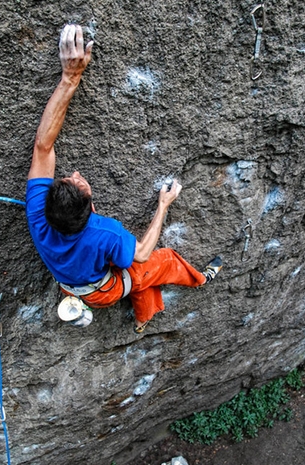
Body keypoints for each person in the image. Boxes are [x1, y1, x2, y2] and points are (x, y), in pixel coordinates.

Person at [26, 24, 222, 333]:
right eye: (78, 181)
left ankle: (143, 318)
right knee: (162, 261)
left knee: (138, 276)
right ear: (90, 208)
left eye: (68, 178)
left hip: (72, 286)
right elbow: (142, 253)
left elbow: (43, 146)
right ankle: (199, 280)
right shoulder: (104, 232)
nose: (76, 174)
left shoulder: (39, 215)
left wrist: (69, 78)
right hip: (102, 291)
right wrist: (163, 204)